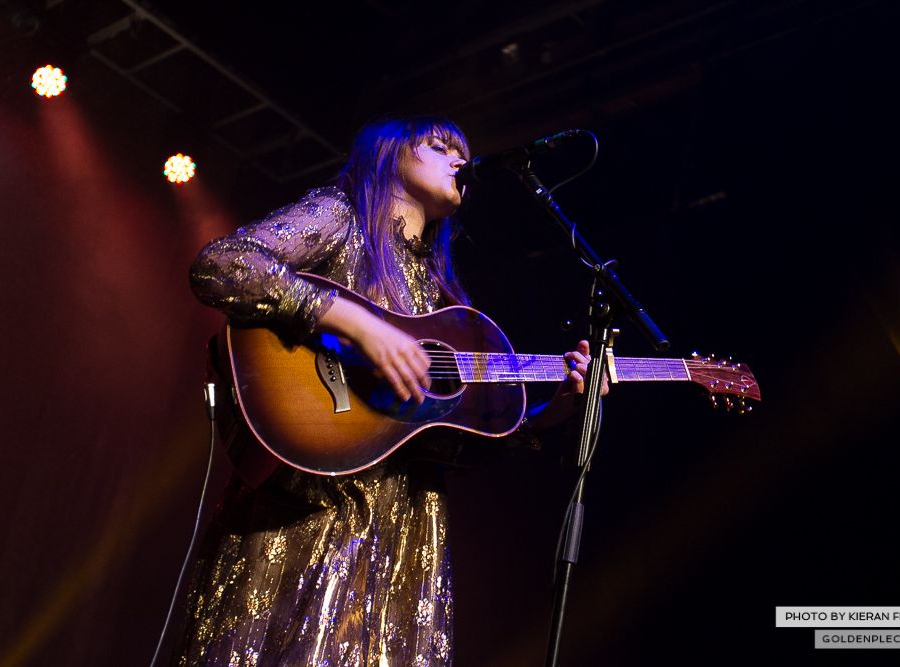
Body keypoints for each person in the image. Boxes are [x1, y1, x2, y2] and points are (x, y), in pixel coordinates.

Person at [175, 115, 605, 666]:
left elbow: (452, 439)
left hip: (404, 533)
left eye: (462, 153)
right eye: (440, 145)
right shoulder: (341, 217)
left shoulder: (448, 299)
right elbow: (222, 264)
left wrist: (552, 412)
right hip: (309, 509)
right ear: (387, 154)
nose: (458, 159)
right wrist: (356, 324)